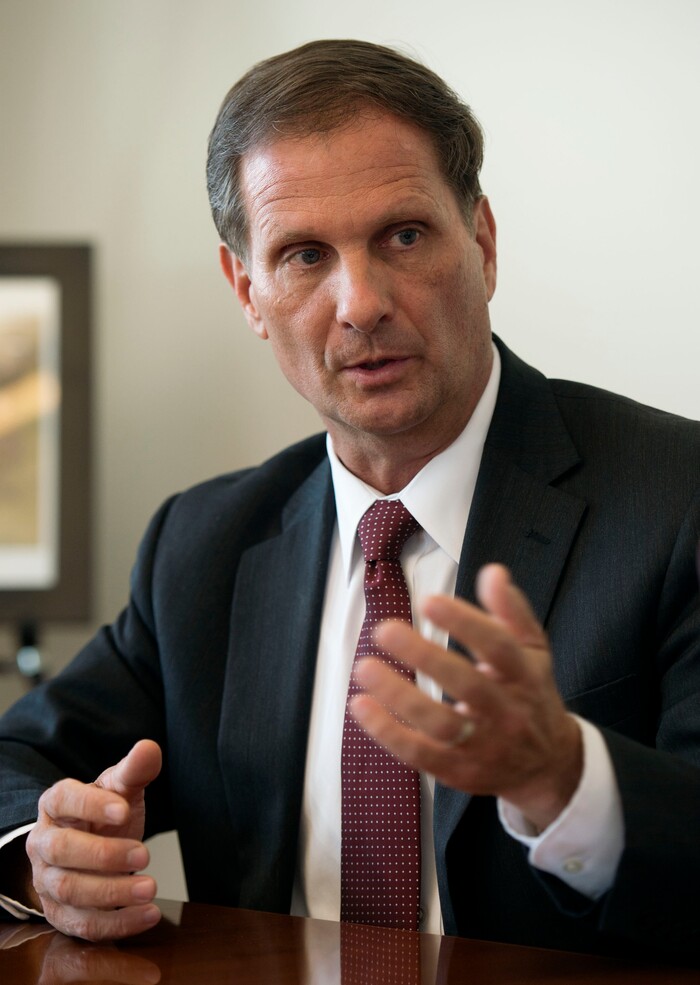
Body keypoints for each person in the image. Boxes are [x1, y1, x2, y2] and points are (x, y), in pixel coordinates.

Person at [1, 39, 699, 960]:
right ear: (247, 290)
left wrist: (569, 781)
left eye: (402, 236)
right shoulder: (203, 545)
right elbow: (16, 760)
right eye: (303, 255)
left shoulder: (674, 498)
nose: (360, 302)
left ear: (482, 243)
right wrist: (37, 857)